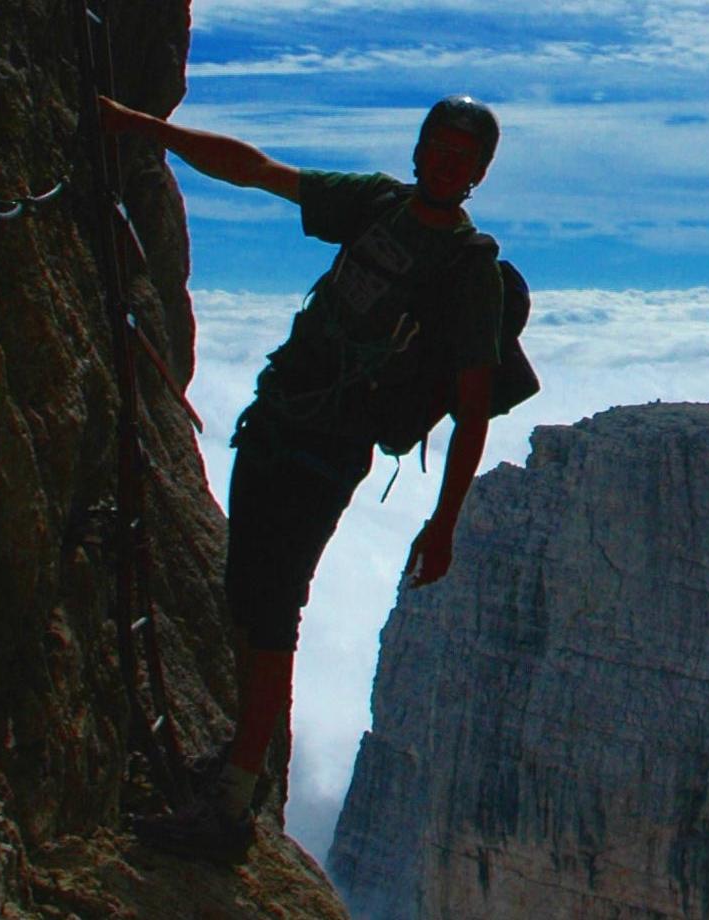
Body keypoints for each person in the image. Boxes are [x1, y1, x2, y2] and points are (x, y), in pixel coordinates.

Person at [97, 94, 506, 860]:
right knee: (250, 596)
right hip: (279, 420)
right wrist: (143, 127)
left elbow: (474, 410)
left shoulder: (469, 272)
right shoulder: (377, 205)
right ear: (418, 149)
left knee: (272, 604)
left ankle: (233, 802)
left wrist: (444, 523)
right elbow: (258, 172)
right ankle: (243, 772)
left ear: (479, 173)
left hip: (328, 448)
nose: (445, 161)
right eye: (437, 146)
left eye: (462, 154)